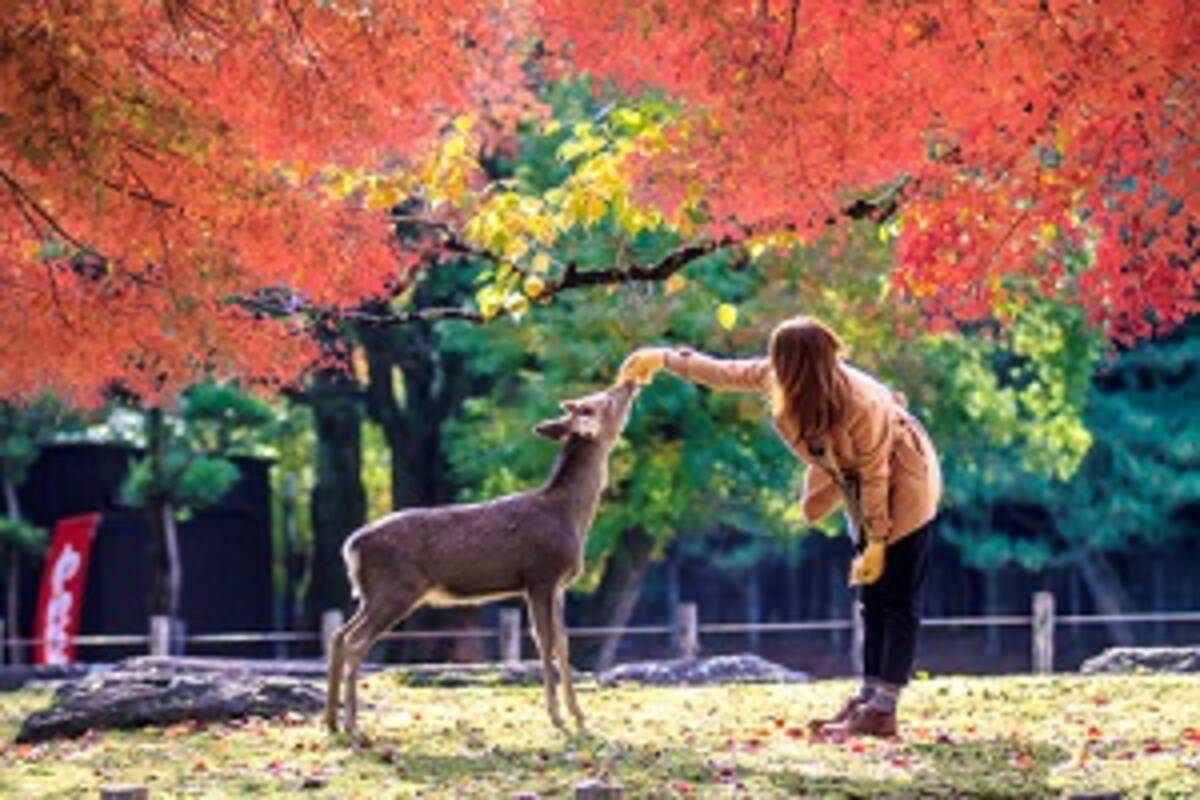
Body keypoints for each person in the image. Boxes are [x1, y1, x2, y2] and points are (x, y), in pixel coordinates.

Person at [619, 316, 942, 737]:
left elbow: (876, 473)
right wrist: (661, 358)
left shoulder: (861, 404)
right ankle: (867, 696)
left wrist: (878, 541)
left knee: (897, 599)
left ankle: (885, 707)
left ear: (796, 365)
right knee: (870, 598)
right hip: (858, 482)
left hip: (903, 478)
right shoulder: (782, 379)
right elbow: (722, 372)